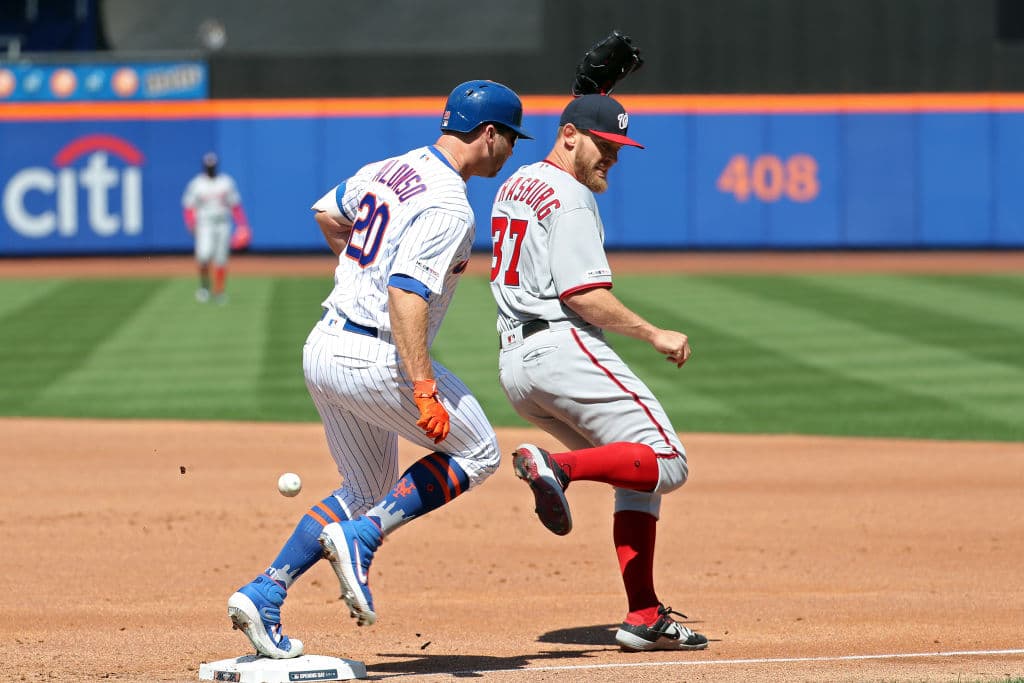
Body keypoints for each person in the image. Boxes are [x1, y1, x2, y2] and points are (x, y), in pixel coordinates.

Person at [225, 80, 531, 659]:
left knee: (363, 489)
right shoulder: (449, 204)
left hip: (323, 347)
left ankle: (264, 592)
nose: (511, 150)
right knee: (480, 453)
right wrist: (422, 388)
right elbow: (407, 293)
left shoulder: (390, 167)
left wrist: (356, 272)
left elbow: (326, 211)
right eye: (510, 138)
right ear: (488, 134)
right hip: (375, 355)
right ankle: (363, 538)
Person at [488, 93, 708, 652]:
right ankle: (554, 467)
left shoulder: (517, 182)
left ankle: (644, 613)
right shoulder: (572, 196)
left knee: (637, 479)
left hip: (516, 364)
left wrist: (591, 107)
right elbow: (584, 294)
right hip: (561, 346)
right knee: (668, 461)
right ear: (568, 136)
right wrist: (655, 332)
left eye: (617, 147)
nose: (611, 157)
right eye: (604, 145)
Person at [181, 152, 250, 304]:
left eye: (212, 166)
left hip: (223, 223)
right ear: (204, 167)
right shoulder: (197, 184)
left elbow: (235, 205)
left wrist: (243, 225)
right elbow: (188, 205)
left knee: (220, 258)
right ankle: (205, 287)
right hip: (204, 224)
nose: (210, 169)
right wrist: (190, 222)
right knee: (204, 256)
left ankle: (219, 291)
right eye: (208, 166)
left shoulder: (225, 182)